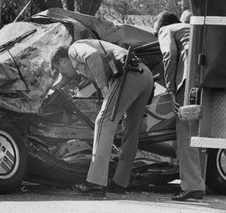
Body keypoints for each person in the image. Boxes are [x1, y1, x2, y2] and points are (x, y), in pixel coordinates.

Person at [51, 39, 153, 196]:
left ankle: (96, 182)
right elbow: (73, 76)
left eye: (60, 69)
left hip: (129, 75)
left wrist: (104, 87)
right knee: (130, 130)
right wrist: (51, 89)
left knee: (103, 121)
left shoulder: (74, 49)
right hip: (144, 75)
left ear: (63, 60)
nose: (62, 74)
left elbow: (93, 57)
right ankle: (120, 183)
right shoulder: (80, 56)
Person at [154, 11, 206, 201]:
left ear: (160, 27)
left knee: (186, 132)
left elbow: (169, 54)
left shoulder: (166, 30)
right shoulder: (190, 29)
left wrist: (170, 89)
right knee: (201, 135)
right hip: (206, 79)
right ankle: (200, 182)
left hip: (188, 79)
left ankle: (193, 186)